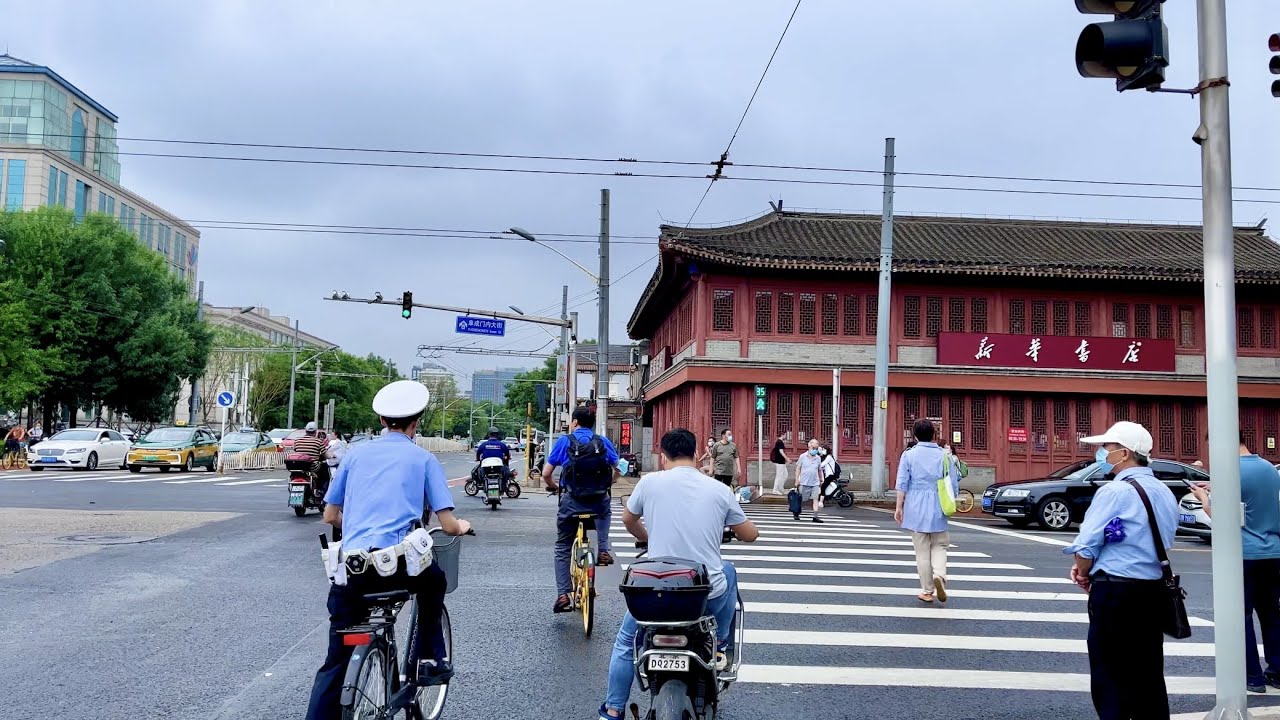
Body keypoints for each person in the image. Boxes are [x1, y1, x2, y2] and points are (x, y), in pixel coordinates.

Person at [304, 380, 472, 720]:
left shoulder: (355, 455)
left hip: (353, 569)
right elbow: (449, 524)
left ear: (381, 420)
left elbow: (330, 515)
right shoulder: (423, 458)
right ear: (417, 422)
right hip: (399, 568)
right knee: (434, 582)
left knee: (335, 658)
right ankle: (427, 657)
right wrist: (464, 528)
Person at [597, 428, 759, 720]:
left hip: (654, 593)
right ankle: (719, 643)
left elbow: (628, 518)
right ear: (697, 454)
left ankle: (612, 710)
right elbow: (750, 535)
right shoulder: (719, 490)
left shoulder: (649, 484)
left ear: (663, 457)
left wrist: (646, 538)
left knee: (625, 642)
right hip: (703, 593)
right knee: (728, 571)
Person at [1063, 421, 1178, 719]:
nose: (1102, 453)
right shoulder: (1164, 491)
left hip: (1116, 592)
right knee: (1148, 674)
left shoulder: (1114, 492)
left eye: (1108, 448)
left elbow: (1086, 546)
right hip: (1152, 591)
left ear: (1124, 453)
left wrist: (1083, 572)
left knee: (1110, 674)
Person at [1187, 431, 1280, 693]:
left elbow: (1223, 516)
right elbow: (1254, 500)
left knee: (1241, 617)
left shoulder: (1230, 472)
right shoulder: (1269, 469)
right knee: (1272, 614)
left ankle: (1252, 677)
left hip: (1245, 554)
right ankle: (1277, 670)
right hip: (1273, 551)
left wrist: (1205, 500)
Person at [543, 407, 619, 612]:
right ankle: (603, 551)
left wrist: (555, 486)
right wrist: (607, 484)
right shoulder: (602, 441)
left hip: (572, 501)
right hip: (597, 500)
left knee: (562, 546)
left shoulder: (564, 441)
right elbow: (619, 468)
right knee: (605, 511)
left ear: (575, 422)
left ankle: (563, 594)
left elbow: (546, 473)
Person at [895, 419, 960, 603]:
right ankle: (940, 574)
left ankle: (927, 590)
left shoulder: (908, 455)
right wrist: (952, 499)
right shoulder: (944, 455)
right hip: (938, 503)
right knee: (940, 544)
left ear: (915, 435)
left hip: (915, 504)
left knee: (922, 550)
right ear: (933, 434)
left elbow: (902, 483)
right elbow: (953, 483)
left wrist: (899, 507)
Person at [293, 422, 332, 493]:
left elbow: (295, 451)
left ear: (305, 430)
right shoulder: (318, 442)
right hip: (313, 467)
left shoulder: (297, 441)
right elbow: (327, 456)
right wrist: (332, 456)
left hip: (299, 467)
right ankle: (320, 490)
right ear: (315, 432)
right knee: (325, 472)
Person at [794, 438, 824, 522]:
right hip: (804, 482)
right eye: (813, 448)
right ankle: (796, 512)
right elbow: (798, 469)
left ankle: (815, 516)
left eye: (816, 448)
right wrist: (797, 480)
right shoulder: (803, 456)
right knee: (802, 500)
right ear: (809, 447)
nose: (815, 450)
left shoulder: (818, 458)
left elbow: (819, 469)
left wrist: (821, 478)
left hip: (815, 482)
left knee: (815, 498)